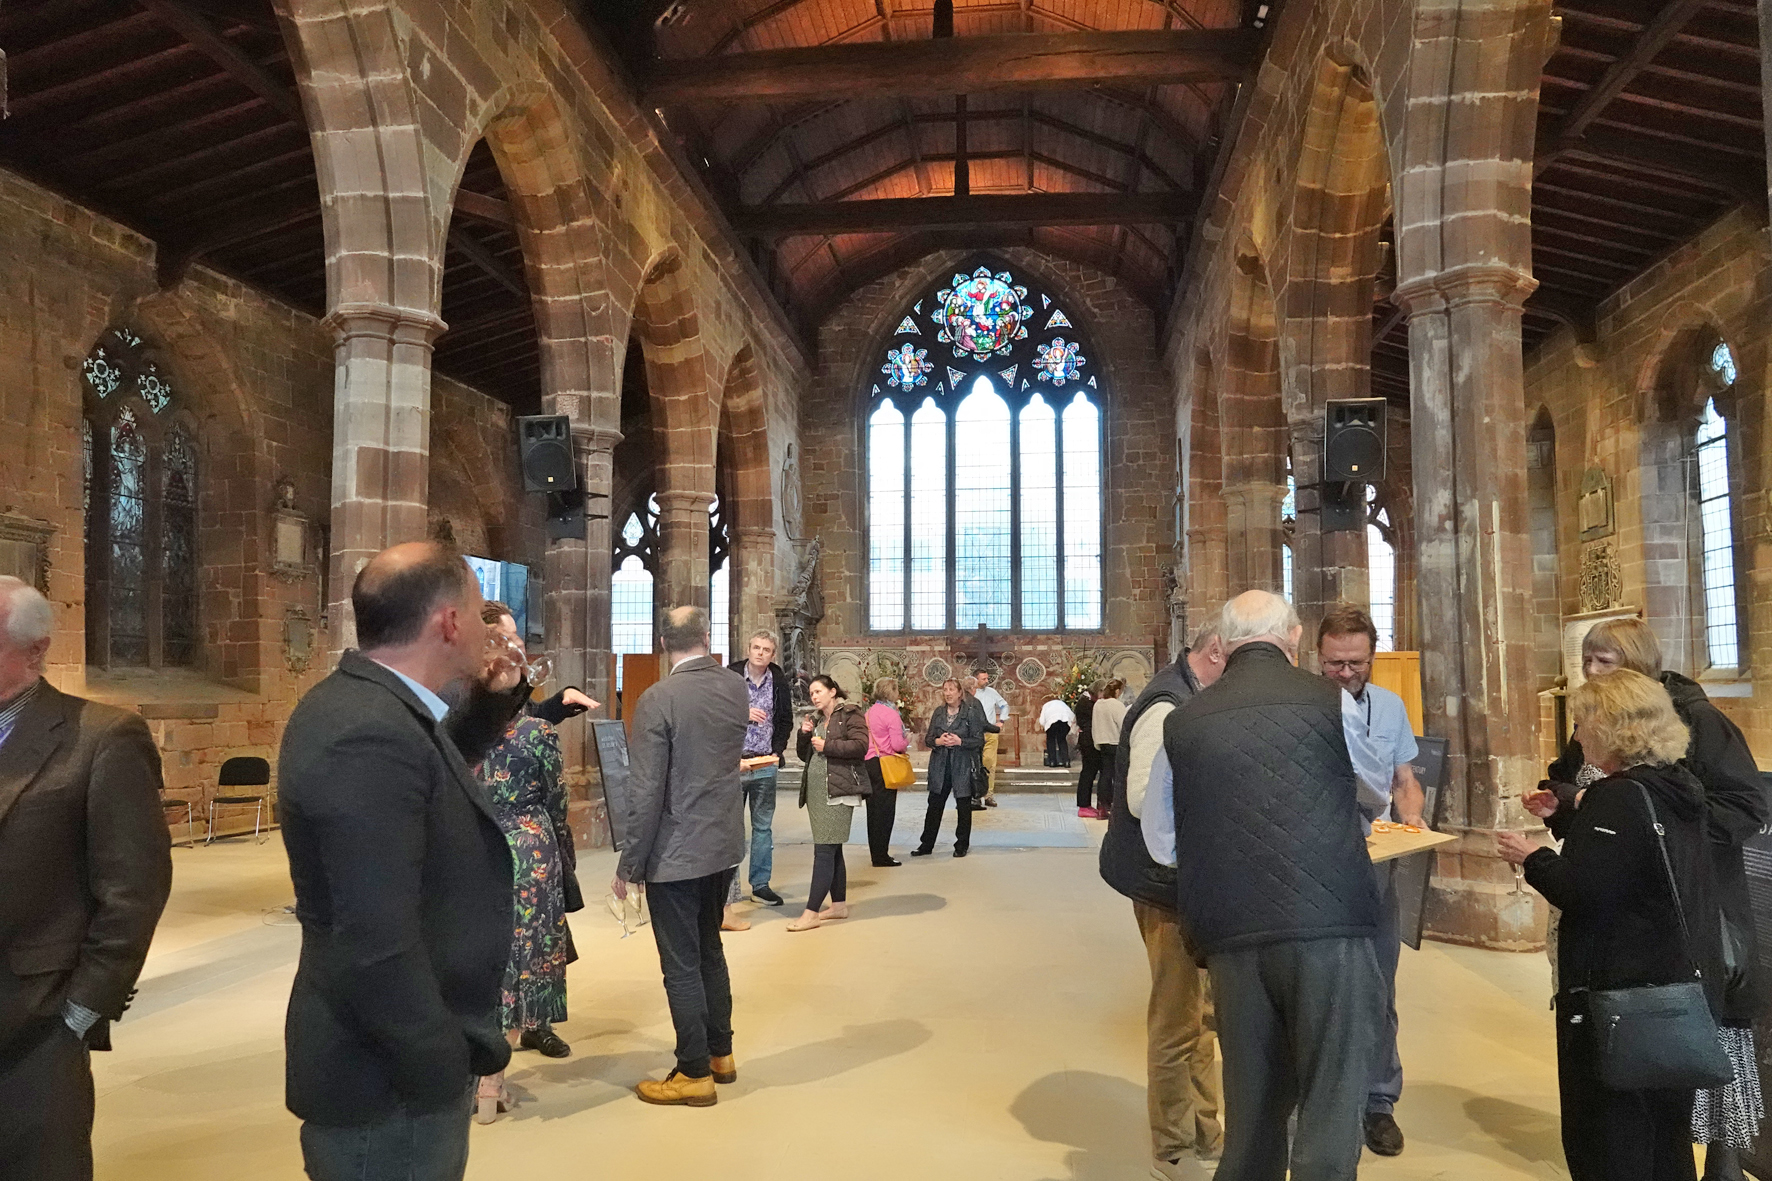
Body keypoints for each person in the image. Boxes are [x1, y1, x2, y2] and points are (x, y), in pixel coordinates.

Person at [279, 543, 516, 1181]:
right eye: (477, 610)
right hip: (383, 1078)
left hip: (392, 1061)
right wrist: (440, 1062)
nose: (490, 628)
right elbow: (374, 935)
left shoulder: (384, 707)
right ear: (448, 623)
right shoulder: (365, 730)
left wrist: (494, 702)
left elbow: (430, 771)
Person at [1144, 590, 1388, 1181]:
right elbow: (1376, 788)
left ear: (1223, 645)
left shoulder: (1183, 720)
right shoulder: (1332, 700)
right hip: (1329, 923)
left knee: (1251, 1094)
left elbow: (1160, 840)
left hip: (1232, 930)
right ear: (1297, 637)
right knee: (1331, 1088)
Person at [1533, 617, 1766, 1180]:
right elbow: (1588, 795)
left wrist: (1659, 828)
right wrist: (1566, 803)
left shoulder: (1697, 720)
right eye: (1585, 660)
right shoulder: (1600, 724)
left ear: (1638, 666)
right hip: (1619, 911)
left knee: (1681, 1057)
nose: (1589, 671)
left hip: (1687, 908)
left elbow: (1746, 806)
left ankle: (1725, 1162)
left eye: (1604, 661)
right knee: (1641, 1097)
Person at [1500, 669, 1724, 1181]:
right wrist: (1568, 815)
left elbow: (1585, 892)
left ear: (1611, 727)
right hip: (1670, 988)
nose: (1577, 736)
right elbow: (1629, 861)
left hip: (1618, 998)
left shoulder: (1618, 795)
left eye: (1581, 723)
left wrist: (1532, 857)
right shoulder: (1677, 785)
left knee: (1608, 1140)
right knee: (1664, 1139)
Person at [0, 576, 172, 1181]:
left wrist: (80, 1010)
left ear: (35, 649)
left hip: (31, 1027)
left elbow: (135, 888)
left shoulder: (100, 738)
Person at [1099, 617, 1227, 1179]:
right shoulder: (1167, 707)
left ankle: (1207, 1129)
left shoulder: (1191, 698)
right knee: (1177, 1020)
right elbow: (1140, 800)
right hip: (1164, 886)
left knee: (1201, 1013)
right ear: (1218, 652)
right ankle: (1171, 1149)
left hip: (1187, 884)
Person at [614, 606, 749, 1108]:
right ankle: (721, 1054)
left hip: (676, 853)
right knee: (709, 948)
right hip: (723, 844)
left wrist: (630, 865)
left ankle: (693, 1073)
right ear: (708, 636)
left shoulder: (659, 699)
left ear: (662, 641)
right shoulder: (735, 687)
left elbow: (645, 791)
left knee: (681, 966)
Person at [1316, 604, 1426, 1158]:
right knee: (1324, 989)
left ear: (1372, 657)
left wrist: (1412, 818)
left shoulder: (1390, 706)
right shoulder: (1306, 706)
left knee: (1380, 985)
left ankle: (1378, 1101)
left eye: (1355, 662)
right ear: (1319, 656)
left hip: (1378, 868)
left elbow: (1405, 779)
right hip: (1321, 867)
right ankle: (1320, 1098)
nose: (1344, 673)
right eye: (1334, 663)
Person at [472, 601, 579, 1124]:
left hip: (474, 848)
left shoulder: (457, 727)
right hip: (531, 850)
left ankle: (476, 1083)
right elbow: (556, 804)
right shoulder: (536, 734)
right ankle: (493, 1081)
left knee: (481, 964)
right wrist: (566, 858)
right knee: (520, 964)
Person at [788, 675, 872, 932]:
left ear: (832, 691)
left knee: (824, 849)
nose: (814, 696)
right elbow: (805, 756)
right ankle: (838, 905)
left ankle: (811, 911)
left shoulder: (850, 714)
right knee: (832, 847)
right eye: (811, 693)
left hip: (838, 790)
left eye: (818, 691)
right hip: (817, 792)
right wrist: (804, 736)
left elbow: (861, 746)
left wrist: (828, 745)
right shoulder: (815, 719)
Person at [729, 632, 792, 908]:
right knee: (730, 827)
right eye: (756, 647)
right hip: (734, 762)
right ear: (748, 649)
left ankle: (760, 885)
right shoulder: (730, 677)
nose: (760, 653)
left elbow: (785, 719)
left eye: (766, 650)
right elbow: (715, 714)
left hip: (765, 762)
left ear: (772, 655)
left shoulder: (777, 681)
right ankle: (729, 889)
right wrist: (743, 712)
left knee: (763, 827)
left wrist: (777, 751)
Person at [914, 678, 984, 858]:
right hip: (940, 764)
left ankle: (961, 844)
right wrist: (938, 741)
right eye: (945, 689)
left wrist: (961, 741)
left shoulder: (970, 712)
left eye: (952, 689)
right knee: (934, 805)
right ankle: (926, 844)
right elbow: (929, 738)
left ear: (960, 692)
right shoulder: (938, 712)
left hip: (962, 764)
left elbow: (979, 740)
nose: (948, 693)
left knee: (963, 806)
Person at [864, 678, 910, 868]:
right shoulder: (891, 714)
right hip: (886, 764)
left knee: (872, 811)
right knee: (885, 811)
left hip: (869, 763)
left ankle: (875, 853)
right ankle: (882, 855)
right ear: (892, 692)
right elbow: (897, 744)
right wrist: (907, 740)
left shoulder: (869, 712)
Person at [1086, 680, 1127, 818]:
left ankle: (1102, 806)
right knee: (1118, 775)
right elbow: (1123, 724)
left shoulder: (1098, 704)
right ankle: (1116, 805)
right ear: (1116, 691)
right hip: (1115, 742)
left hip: (1101, 742)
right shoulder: (1116, 704)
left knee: (1105, 774)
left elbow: (1095, 723)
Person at [972, 669, 1009, 808]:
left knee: (989, 764)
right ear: (976, 680)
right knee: (974, 764)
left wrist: (1002, 720)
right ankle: (975, 795)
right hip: (975, 734)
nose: (987, 681)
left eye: (987, 678)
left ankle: (988, 795)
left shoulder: (992, 692)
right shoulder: (970, 694)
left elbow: (1004, 705)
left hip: (990, 733)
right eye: (983, 679)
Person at [1075, 682, 1101, 817]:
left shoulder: (1087, 701)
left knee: (1089, 773)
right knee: (1088, 773)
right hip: (1088, 742)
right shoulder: (1086, 703)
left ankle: (1086, 805)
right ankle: (1084, 805)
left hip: (1088, 740)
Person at [1038, 695, 1075, 767]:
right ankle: (1066, 761)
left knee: (1051, 740)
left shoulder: (1046, 705)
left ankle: (1052, 761)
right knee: (1062, 740)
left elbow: (1042, 720)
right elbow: (1072, 715)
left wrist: (1045, 727)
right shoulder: (1063, 704)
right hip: (1065, 721)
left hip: (1052, 721)